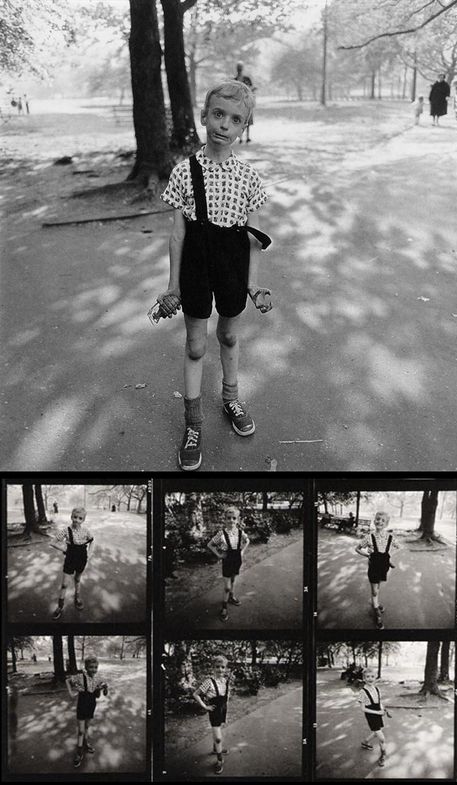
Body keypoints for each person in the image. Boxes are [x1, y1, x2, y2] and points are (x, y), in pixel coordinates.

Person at [158, 80, 272, 471]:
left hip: (232, 267)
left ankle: (231, 397)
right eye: (218, 114)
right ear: (204, 115)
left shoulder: (249, 179)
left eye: (235, 119)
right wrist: (172, 285)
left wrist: (253, 284)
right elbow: (177, 234)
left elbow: (255, 238)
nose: (224, 124)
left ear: (245, 127)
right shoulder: (184, 172)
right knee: (195, 345)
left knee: (228, 335)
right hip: (195, 266)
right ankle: (193, 424)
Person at [355, 511, 399, 630]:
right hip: (373, 567)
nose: (379, 521)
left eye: (383, 520)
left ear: (386, 524)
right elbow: (357, 548)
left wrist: (389, 555)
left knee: (378, 588)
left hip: (384, 568)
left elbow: (399, 547)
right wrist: (367, 555)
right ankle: (377, 612)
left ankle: (376, 603)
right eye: (377, 519)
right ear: (374, 521)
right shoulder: (369, 537)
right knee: (374, 591)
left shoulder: (390, 537)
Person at [50, 507, 94, 620]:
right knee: (64, 583)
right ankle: (60, 606)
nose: (77, 520)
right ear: (71, 517)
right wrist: (63, 550)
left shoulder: (86, 531)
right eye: (75, 517)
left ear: (83, 520)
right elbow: (53, 542)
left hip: (82, 559)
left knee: (78, 579)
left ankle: (77, 598)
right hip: (70, 559)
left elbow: (92, 541)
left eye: (80, 518)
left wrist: (89, 554)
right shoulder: (66, 531)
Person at [207, 505, 250, 621]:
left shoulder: (240, 532)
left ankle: (231, 596)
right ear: (225, 519)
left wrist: (242, 551)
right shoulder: (221, 534)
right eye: (228, 518)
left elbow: (247, 541)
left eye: (234, 518)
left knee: (233, 580)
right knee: (226, 587)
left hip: (237, 561)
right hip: (227, 561)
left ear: (238, 519)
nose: (231, 520)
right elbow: (210, 545)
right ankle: (224, 607)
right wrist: (219, 555)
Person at [66, 654, 108, 769]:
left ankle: (85, 743)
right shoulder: (80, 677)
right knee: (80, 730)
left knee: (87, 726)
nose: (93, 670)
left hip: (91, 705)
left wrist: (103, 688)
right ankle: (79, 752)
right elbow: (68, 681)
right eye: (91, 667)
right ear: (86, 667)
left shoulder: (98, 679)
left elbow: (99, 696)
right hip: (82, 706)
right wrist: (71, 693)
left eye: (95, 667)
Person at [193, 653, 231, 775]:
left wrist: (226, 709)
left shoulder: (225, 681)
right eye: (217, 666)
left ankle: (216, 748)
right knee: (218, 738)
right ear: (213, 668)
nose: (220, 669)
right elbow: (196, 694)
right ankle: (220, 760)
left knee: (219, 730)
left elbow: (226, 696)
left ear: (226, 668)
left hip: (222, 710)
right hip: (214, 712)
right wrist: (205, 706)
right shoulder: (209, 682)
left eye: (223, 667)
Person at [358, 668, 391, 768]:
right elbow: (363, 709)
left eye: (372, 676)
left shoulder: (377, 689)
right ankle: (383, 754)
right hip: (371, 715)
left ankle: (365, 742)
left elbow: (379, 702)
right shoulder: (363, 692)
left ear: (375, 677)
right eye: (367, 677)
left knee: (378, 730)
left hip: (378, 713)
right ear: (364, 678)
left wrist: (383, 709)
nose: (370, 678)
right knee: (382, 738)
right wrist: (377, 712)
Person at [234, 61, 256, 143]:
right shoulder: (235, 80)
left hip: (247, 102)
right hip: (239, 103)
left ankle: (247, 137)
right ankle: (241, 138)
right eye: (238, 68)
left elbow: (251, 88)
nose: (239, 70)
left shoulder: (247, 79)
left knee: (247, 121)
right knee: (240, 121)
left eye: (240, 68)